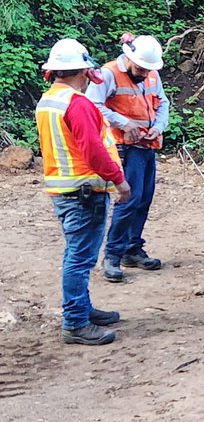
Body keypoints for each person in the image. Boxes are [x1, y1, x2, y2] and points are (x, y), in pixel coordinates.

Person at [36, 39, 132, 346]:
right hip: (84, 190)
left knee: (77, 254)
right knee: (80, 258)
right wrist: (119, 180)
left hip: (65, 189)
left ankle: (82, 310)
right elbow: (92, 149)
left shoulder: (49, 100)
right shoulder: (77, 104)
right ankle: (76, 322)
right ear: (81, 71)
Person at [87, 32, 169, 283]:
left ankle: (132, 249)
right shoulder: (109, 73)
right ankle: (113, 254)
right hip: (125, 147)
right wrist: (123, 123)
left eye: (148, 69)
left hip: (148, 145)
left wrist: (159, 126)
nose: (145, 74)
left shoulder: (152, 73)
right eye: (141, 68)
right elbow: (93, 103)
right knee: (129, 200)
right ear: (129, 58)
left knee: (143, 200)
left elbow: (163, 102)